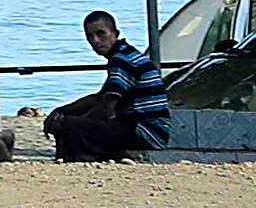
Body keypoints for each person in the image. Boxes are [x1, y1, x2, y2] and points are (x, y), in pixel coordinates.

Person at [43, 9, 171, 162]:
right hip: (148, 129)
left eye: (101, 34)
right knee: (68, 121)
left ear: (115, 34)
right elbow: (101, 97)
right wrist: (63, 110)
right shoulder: (126, 54)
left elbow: (106, 108)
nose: (95, 41)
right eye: (90, 36)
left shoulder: (122, 61)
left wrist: (73, 124)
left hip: (146, 132)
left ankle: (80, 159)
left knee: (69, 125)